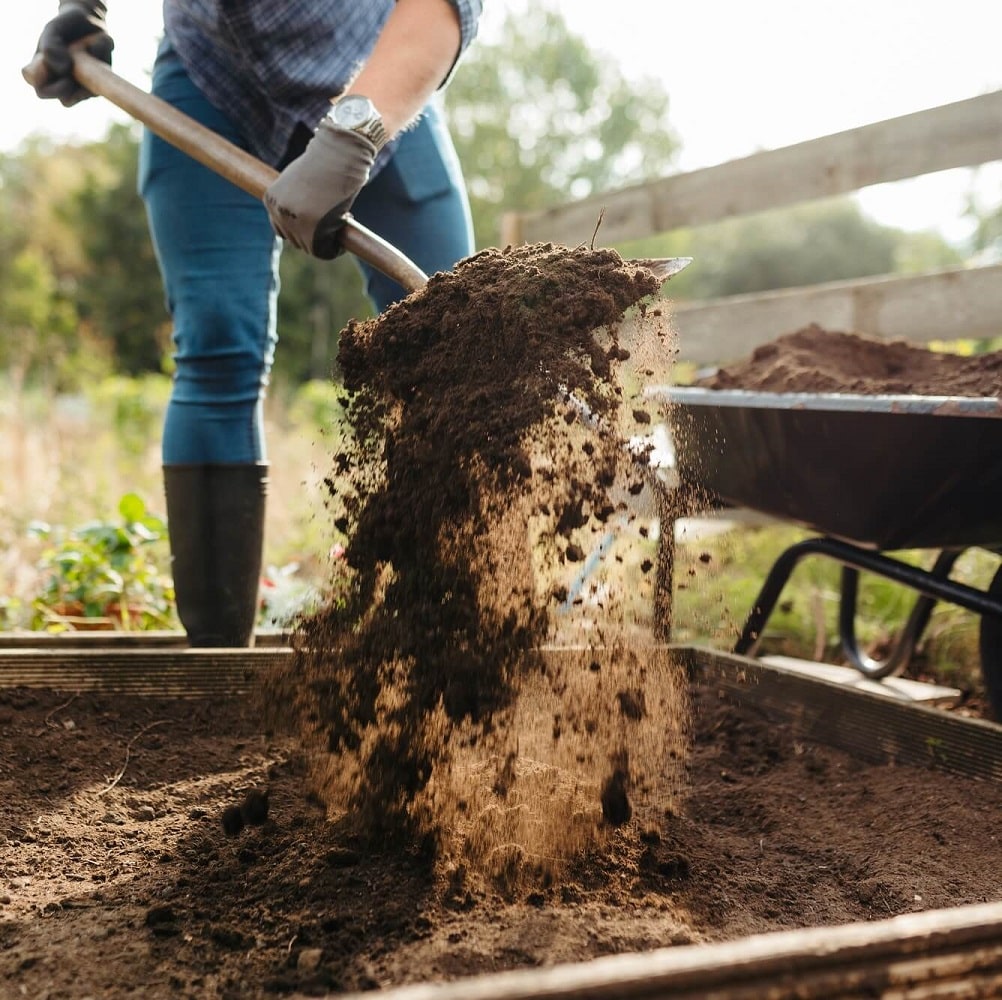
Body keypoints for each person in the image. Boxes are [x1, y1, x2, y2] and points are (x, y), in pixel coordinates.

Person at [29, 0, 482, 647]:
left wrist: (353, 133)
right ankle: (216, 680)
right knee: (215, 346)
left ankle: (456, 650)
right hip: (212, 76)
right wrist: (82, 9)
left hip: (374, 63)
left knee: (456, 355)